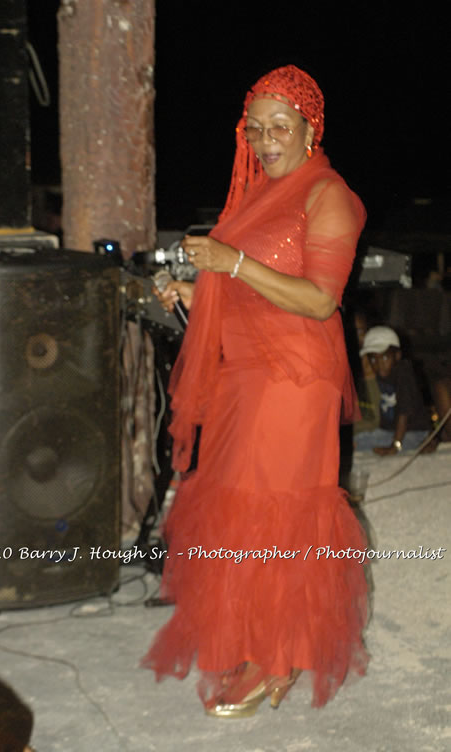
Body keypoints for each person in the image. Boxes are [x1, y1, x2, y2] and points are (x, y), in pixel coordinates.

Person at [143, 65, 369, 717]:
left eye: (281, 127)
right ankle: (251, 643)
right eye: (256, 127)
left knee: (280, 519)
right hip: (245, 380)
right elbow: (249, 294)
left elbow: (320, 299)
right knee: (239, 516)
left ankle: (278, 658)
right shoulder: (258, 195)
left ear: (310, 129)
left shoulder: (327, 194)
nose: (266, 140)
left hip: (293, 384)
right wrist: (195, 292)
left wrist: (231, 263)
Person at [354, 326, 433, 454]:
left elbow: (403, 413)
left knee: (367, 447)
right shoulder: (378, 375)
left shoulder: (403, 373)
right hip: (389, 432)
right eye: (373, 359)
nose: (379, 364)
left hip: (413, 432)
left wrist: (395, 445)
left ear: (397, 356)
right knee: (357, 441)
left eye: (385, 358)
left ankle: (427, 442)